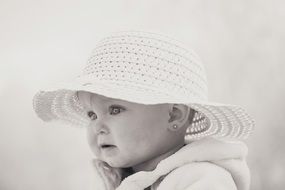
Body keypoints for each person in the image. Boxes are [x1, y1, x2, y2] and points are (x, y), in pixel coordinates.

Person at [32, 31, 255, 190]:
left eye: (115, 110)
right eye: (92, 114)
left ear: (174, 115)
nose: (97, 127)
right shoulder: (114, 180)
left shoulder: (202, 180)